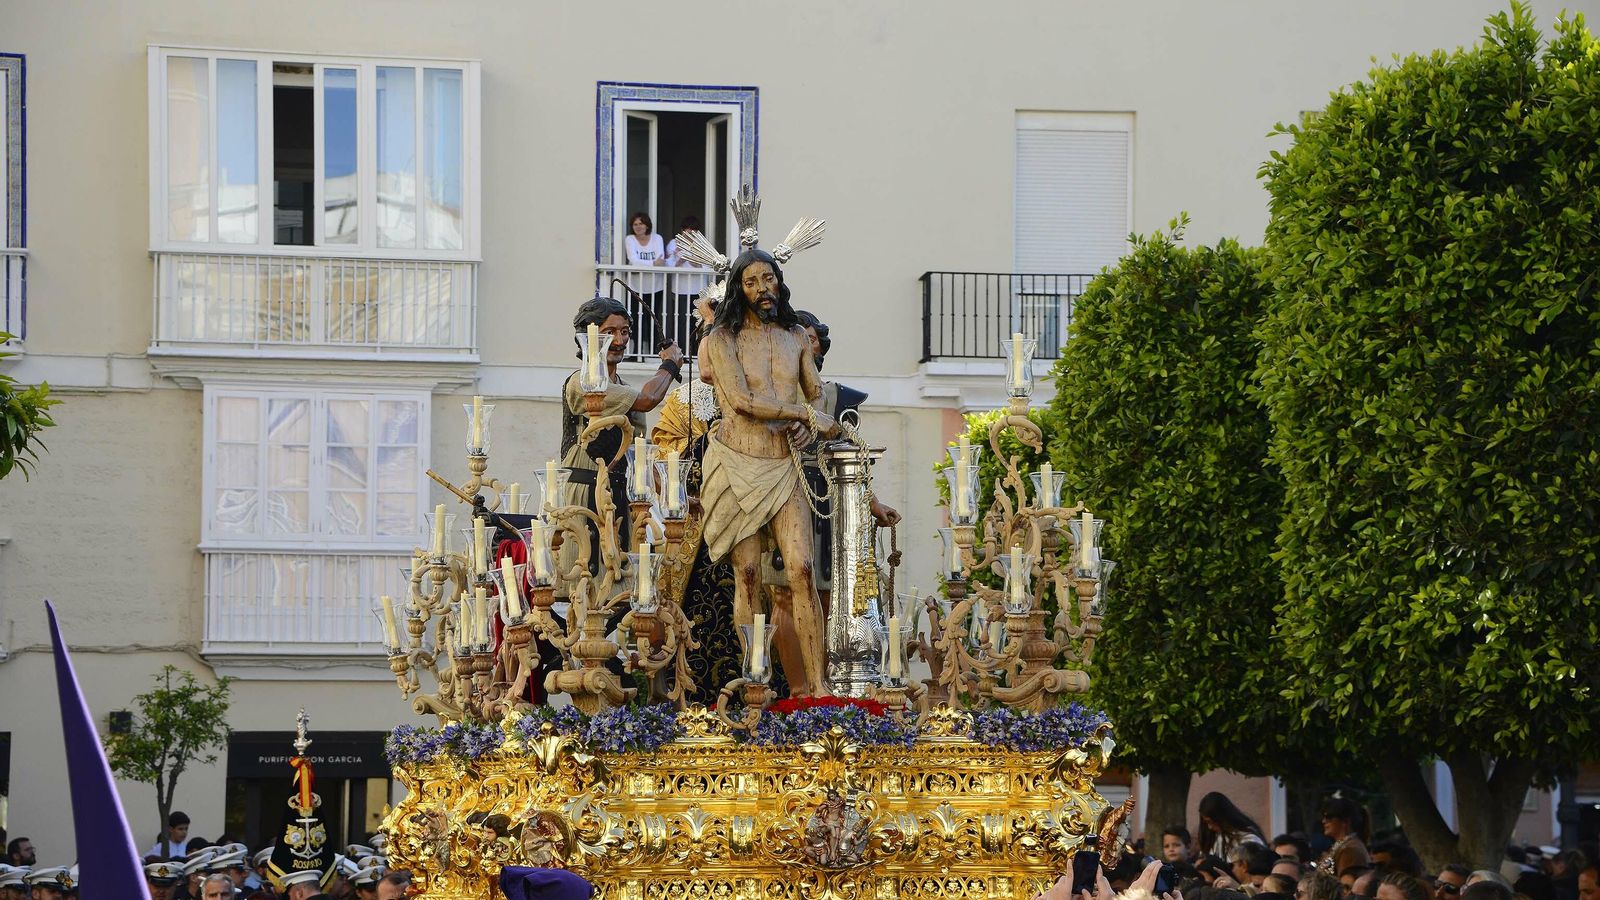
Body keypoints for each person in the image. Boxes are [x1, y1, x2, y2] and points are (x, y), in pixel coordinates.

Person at [699, 246, 838, 696]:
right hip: (737, 463)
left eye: (770, 279)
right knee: (749, 575)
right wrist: (800, 414)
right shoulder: (719, 342)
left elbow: (815, 394)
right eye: (753, 281)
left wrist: (809, 422)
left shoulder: (796, 336)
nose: (764, 289)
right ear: (739, 288)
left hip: (783, 466)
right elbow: (739, 401)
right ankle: (757, 680)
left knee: (800, 568)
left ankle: (818, 687)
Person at [556, 295, 684, 597]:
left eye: (624, 331)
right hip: (585, 498)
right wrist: (669, 365)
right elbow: (648, 399)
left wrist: (673, 495)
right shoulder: (581, 382)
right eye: (609, 331)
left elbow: (638, 454)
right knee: (586, 586)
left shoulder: (623, 387)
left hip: (619, 498)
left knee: (623, 588)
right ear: (588, 336)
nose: (619, 339)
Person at [624, 211, 669, 345]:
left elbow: (660, 261)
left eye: (641, 223)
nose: (638, 226)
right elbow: (633, 260)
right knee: (636, 319)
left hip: (655, 286)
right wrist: (652, 264)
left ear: (647, 225)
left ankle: (653, 349)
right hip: (636, 287)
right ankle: (637, 351)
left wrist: (644, 264)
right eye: (635, 224)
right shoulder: (630, 239)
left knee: (652, 318)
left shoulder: (657, 238)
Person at [1197, 792, 1266, 860]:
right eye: (1207, 823)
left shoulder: (1249, 839)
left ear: (1222, 817)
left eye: (1211, 822)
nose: (1210, 827)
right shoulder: (1214, 839)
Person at [1317, 799, 1371, 876]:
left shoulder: (1350, 850)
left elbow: (1344, 885)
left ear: (1345, 821)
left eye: (1329, 817)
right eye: (1323, 817)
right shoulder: (1342, 845)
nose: (1324, 821)